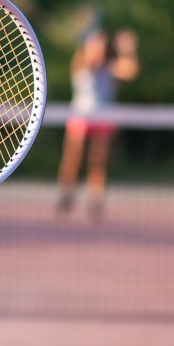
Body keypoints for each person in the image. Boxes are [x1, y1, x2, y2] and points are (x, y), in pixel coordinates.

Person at [56, 26, 138, 222]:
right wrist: (91, 49)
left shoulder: (110, 66)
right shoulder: (81, 62)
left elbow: (131, 71)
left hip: (103, 117)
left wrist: (127, 49)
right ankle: (66, 197)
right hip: (80, 116)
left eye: (100, 43)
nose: (98, 46)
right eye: (94, 43)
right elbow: (90, 61)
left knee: (98, 162)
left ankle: (95, 202)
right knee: (73, 160)